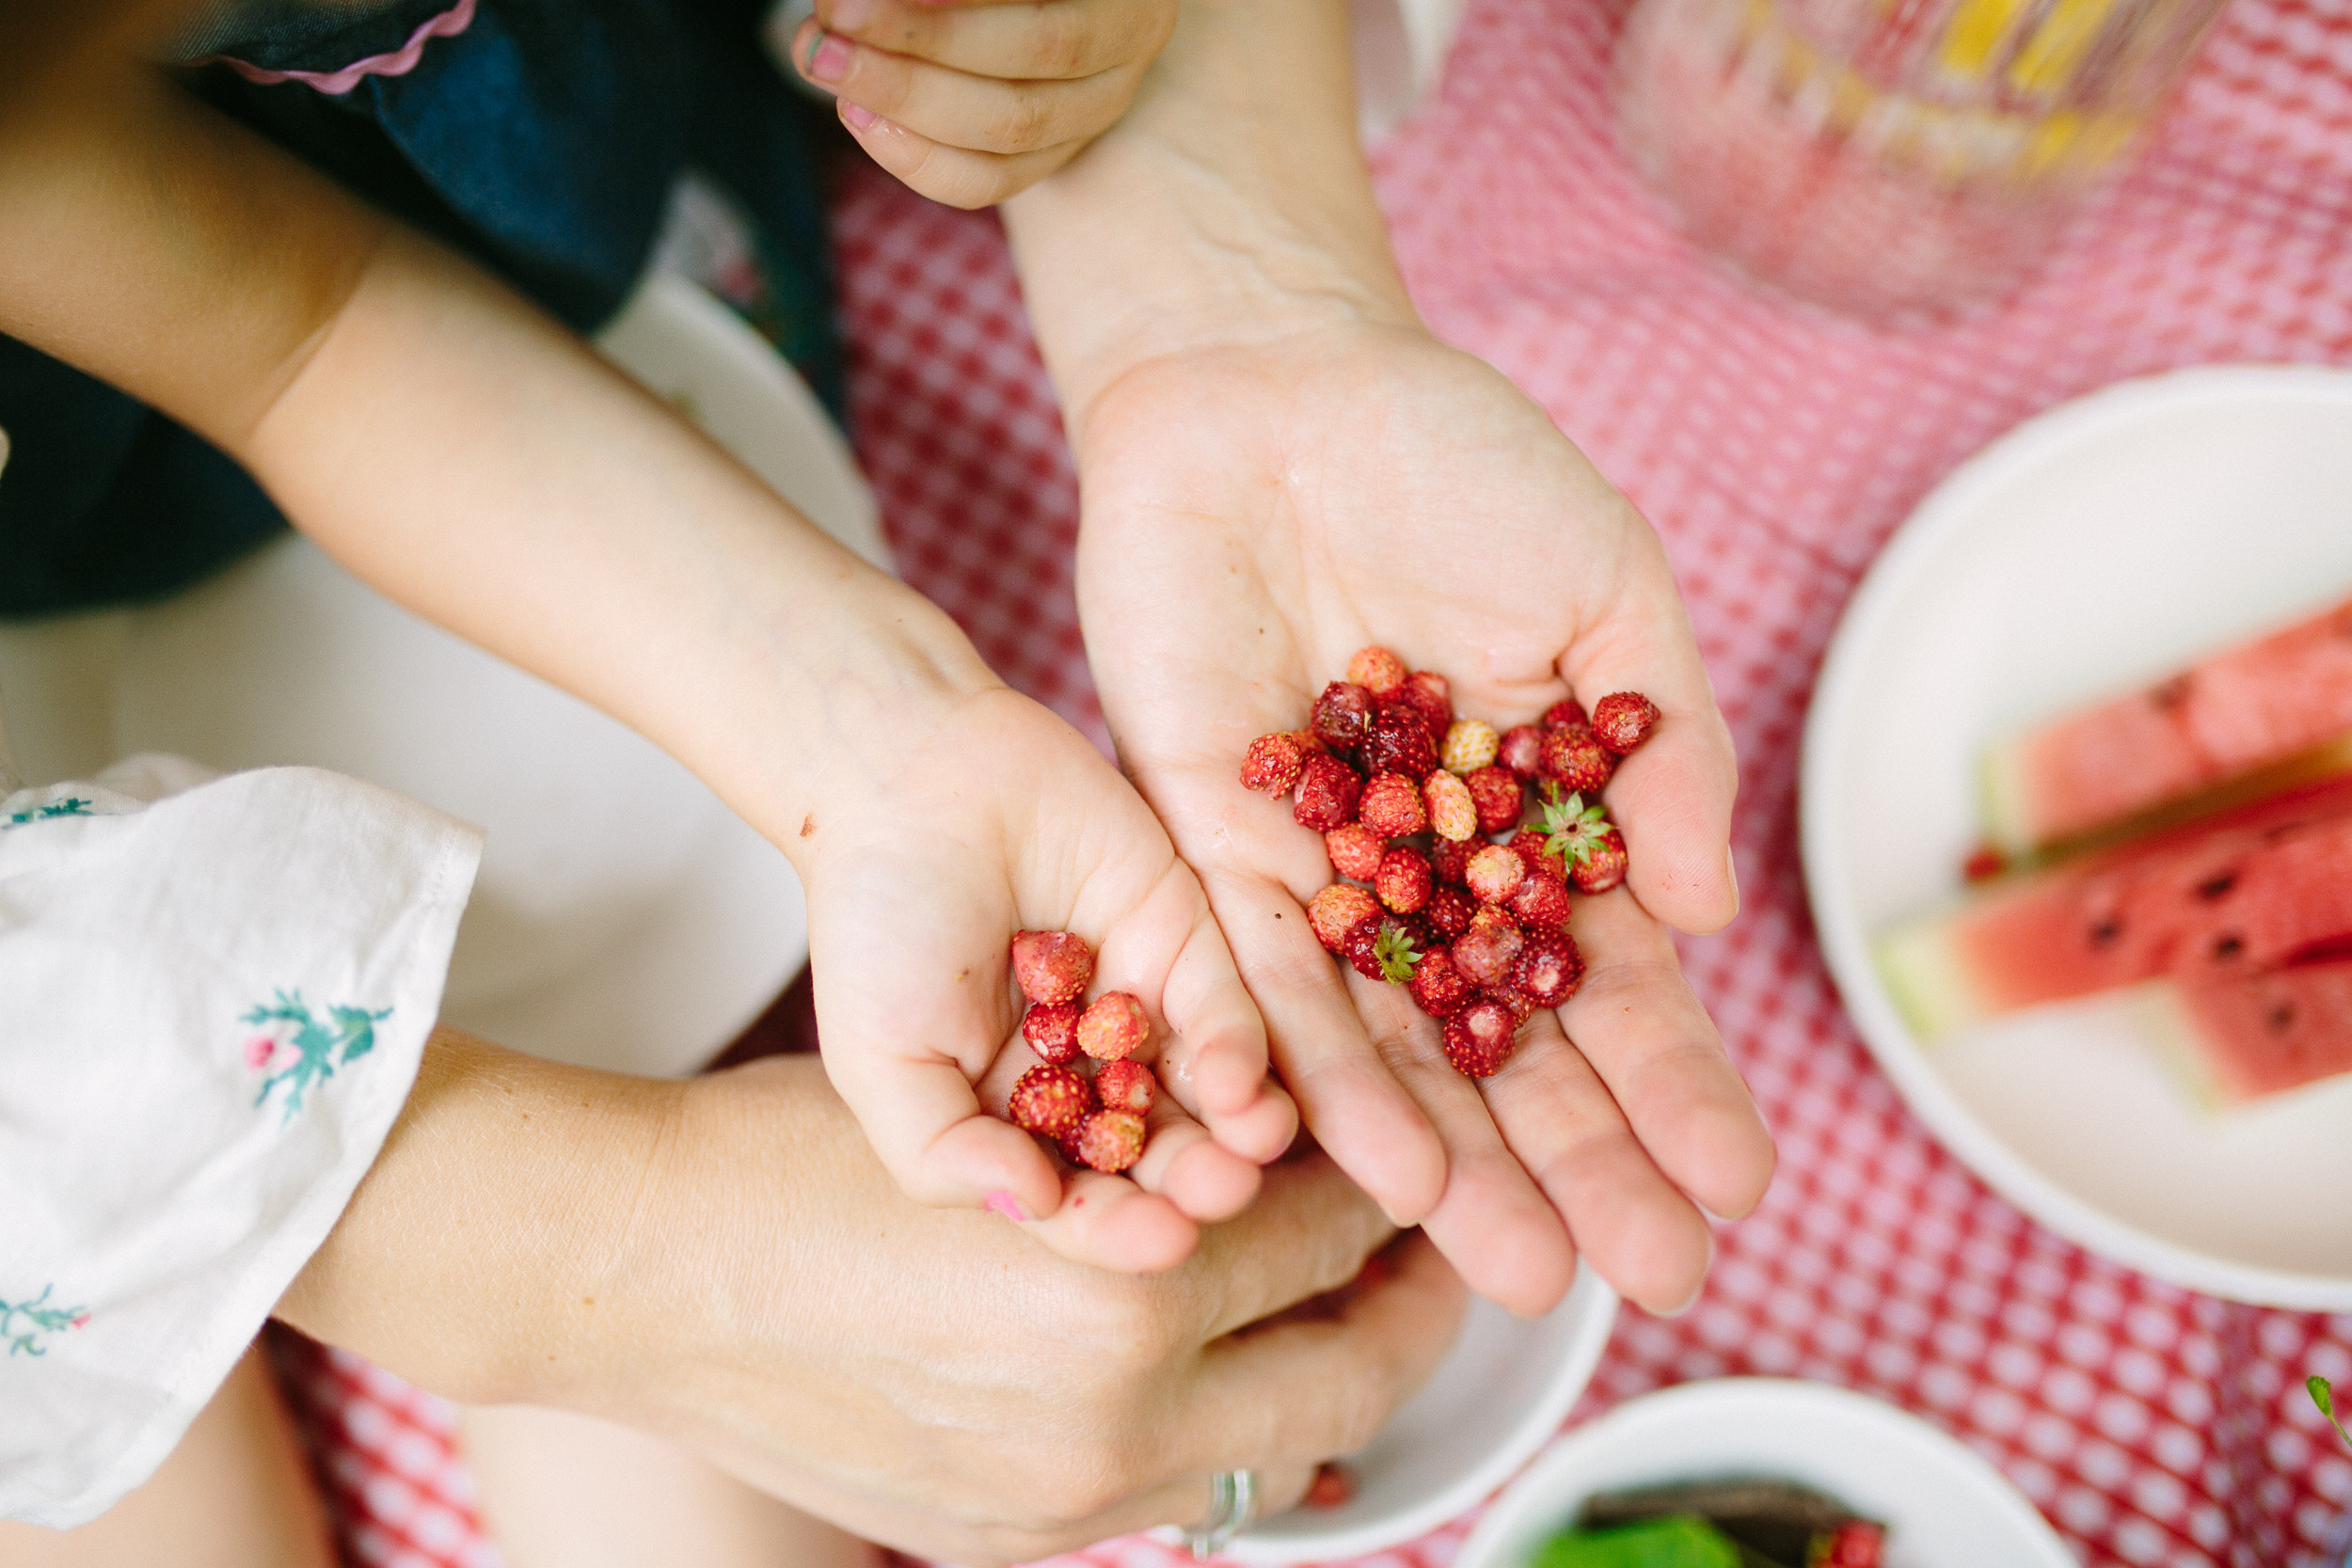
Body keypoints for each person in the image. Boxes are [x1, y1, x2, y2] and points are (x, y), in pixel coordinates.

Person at [0, 0, 1774, 1560]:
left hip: (513, 327)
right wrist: (599, 1268)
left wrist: (872, 741)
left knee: (682, 1435)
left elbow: (304, 321)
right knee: (117, 1459)